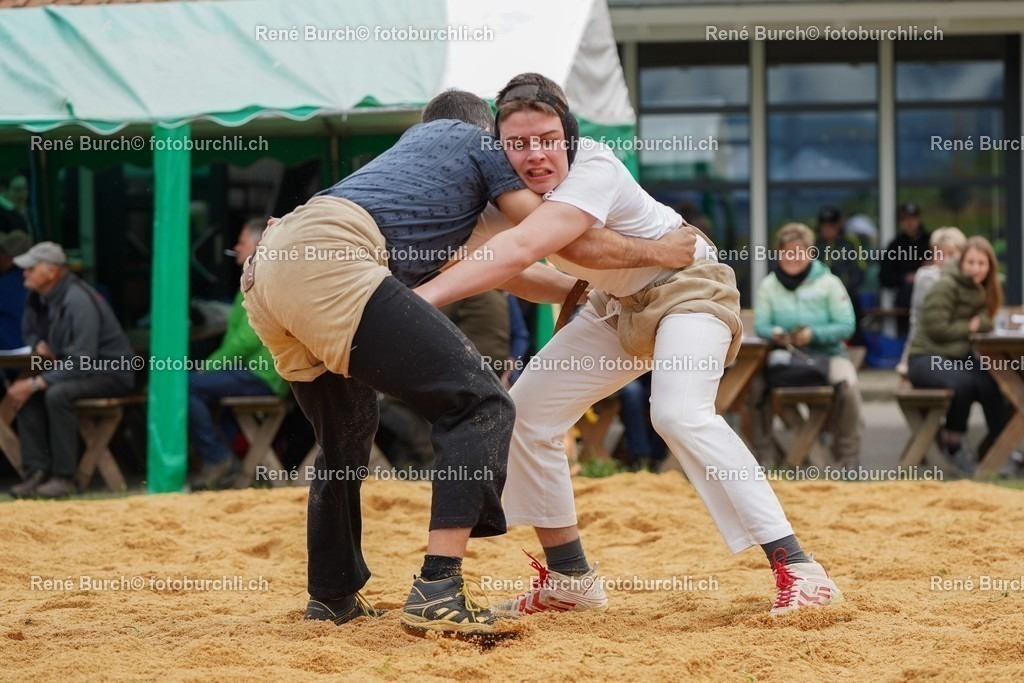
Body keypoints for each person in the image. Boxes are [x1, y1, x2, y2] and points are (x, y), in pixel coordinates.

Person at [241, 89, 699, 638]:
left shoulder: (416, 170)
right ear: (489, 135)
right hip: (334, 258)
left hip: (271, 269)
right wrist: (661, 253)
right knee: (481, 403)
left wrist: (588, 293)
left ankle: (332, 595)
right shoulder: (478, 144)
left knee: (345, 438)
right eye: (511, 144)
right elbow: (557, 241)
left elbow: (512, 270)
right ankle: (439, 588)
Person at [413, 74, 841, 617]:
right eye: (518, 143)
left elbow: (544, 251)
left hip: (688, 286)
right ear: (499, 147)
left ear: (568, 133)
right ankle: (571, 579)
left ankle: (801, 570)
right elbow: (511, 272)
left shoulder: (594, 164)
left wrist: (418, 301)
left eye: (547, 138)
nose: (535, 154)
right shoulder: (503, 197)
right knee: (525, 415)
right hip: (615, 305)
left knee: (679, 413)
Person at [7, 242, 135, 499]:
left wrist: (35, 383)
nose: (24, 273)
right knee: (29, 396)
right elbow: (29, 331)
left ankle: (63, 478)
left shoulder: (78, 300)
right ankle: (36, 473)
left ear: (52, 271)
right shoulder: (37, 297)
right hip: (77, 370)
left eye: (31, 268)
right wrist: (37, 344)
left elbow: (83, 359)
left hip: (110, 373)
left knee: (55, 394)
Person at [749, 223, 862, 469]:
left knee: (849, 387)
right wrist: (776, 333)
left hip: (829, 355)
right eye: (786, 252)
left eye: (798, 251)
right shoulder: (769, 284)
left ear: (810, 253)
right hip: (785, 357)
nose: (792, 257)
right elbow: (762, 325)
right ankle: (764, 455)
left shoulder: (829, 282)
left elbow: (846, 326)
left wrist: (813, 334)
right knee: (754, 388)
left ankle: (849, 457)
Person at [188, 218, 289, 490]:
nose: (236, 247)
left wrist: (208, 366)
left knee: (185, 385)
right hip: (263, 373)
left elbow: (246, 340)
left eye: (242, 242)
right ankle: (228, 459)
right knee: (198, 387)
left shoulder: (261, 279)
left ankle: (219, 458)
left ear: (259, 245)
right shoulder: (262, 275)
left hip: (262, 375)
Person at [906, 236, 1008, 470]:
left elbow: (987, 319)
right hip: (925, 358)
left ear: (990, 266)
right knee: (962, 383)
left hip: (956, 357)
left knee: (991, 381)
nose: (975, 268)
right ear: (962, 262)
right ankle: (954, 446)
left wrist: (978, 323)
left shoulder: (982, 288)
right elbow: (937, 328)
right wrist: (969, 327)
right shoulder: (946, 286)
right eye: (971, 262)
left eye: (981, 263)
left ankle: (1001, 446)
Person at [895, 227, 967, 376]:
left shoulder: (969, 278)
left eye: (951, 254)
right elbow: (916, 317)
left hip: (961, 346)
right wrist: (907, 355)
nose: (945, 260)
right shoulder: (925, 277)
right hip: (930, 346)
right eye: (939, 254)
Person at [815, 207, 866, 344]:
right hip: (819, 293)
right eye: (825, 226)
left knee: (852, 307)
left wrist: (844, 287)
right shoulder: (814, 243)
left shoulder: (850, 241)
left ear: (839, 225)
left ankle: (854, 345)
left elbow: (860, 270)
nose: (828, 230)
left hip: (845, 292)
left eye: (832, 226)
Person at [880, 202, 930, 336]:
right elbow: (885, 277)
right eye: (905, 219)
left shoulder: (931, 242)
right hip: (905, 303)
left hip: (930, 300)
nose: (909, 223)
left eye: (912, 218)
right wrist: (905, 278)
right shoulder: (895, 246)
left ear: (919, 219)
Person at [0, 230, 32, 350]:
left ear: (5, 256)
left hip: (10, 353)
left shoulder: (5, 285)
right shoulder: (39, 282)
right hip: (39, 350)